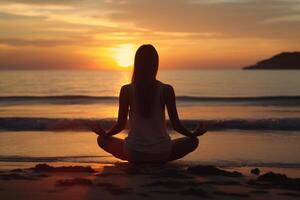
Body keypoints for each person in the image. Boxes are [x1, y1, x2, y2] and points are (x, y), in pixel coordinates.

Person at [90, 44, 207, 163]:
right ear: (156, 64)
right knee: (194, 142)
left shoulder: (126, 90)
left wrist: (105, 134)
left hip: (134, 153)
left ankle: (139, 159)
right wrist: (193, 134)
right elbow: (176, 125)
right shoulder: (166, 90)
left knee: (101, 140)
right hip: (161, 153)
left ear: (137, 64)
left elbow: (121, 125)